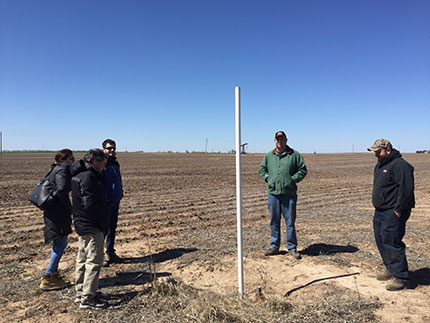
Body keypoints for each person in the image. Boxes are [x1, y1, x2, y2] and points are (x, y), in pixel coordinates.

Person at [368, 139, 415, 291]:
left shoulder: (399, 165)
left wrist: (398, 209)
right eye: (374, 152)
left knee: (392, 242)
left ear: (388, 150)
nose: (376, 155)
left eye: (378, 151)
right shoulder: (381, 163)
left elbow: (406, 189)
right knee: (381, 240)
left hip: (392, 211)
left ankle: (402, 278)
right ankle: (390, 268)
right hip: (380, 210)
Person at [259, 131, 307, 259]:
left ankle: (292, 247)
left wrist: (293, 179)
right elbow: (262, 169)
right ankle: (274, 246)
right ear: (275, 141)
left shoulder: (294, 155)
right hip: (273, 194)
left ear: (286, 140)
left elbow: (302, 169)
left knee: (290, 222)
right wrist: (268, 178)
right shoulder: (269, 155)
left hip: (289, 194)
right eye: (277, 139)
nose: (279, 141)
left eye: (282, 139)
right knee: (274, 221)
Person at [71, 149, 108, 309]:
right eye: (103, 164)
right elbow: (90, 205)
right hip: (91, 225)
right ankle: (88, 298)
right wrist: (102, 218)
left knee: (82, 258)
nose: (104, 167)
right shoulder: (90, 177)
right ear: (95, 162)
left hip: (82, 224)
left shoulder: (79, 175)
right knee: (94, 261)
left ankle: (81, 291)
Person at [39, 149, 75, 291]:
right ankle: (48, 277)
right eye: (70, 157)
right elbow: (61, 190)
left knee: (60, 243)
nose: (73, 160)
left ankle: (53, 274)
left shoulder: (56, 169)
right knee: (60, 244)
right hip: (58, 214)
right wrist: (69, 208)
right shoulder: (62, 170)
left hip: (53, 213)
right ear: (63, 159)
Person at [101, 139, 124, 266]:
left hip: (115, 200)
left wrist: (120, 192)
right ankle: (101, 256)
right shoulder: (101, 163)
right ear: (103, 149)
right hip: (106, 202)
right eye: (109, 148)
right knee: (103, 230)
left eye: (113, 148)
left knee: (112, 228)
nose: (112, 150)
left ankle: (110, 252)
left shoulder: (115, 164)